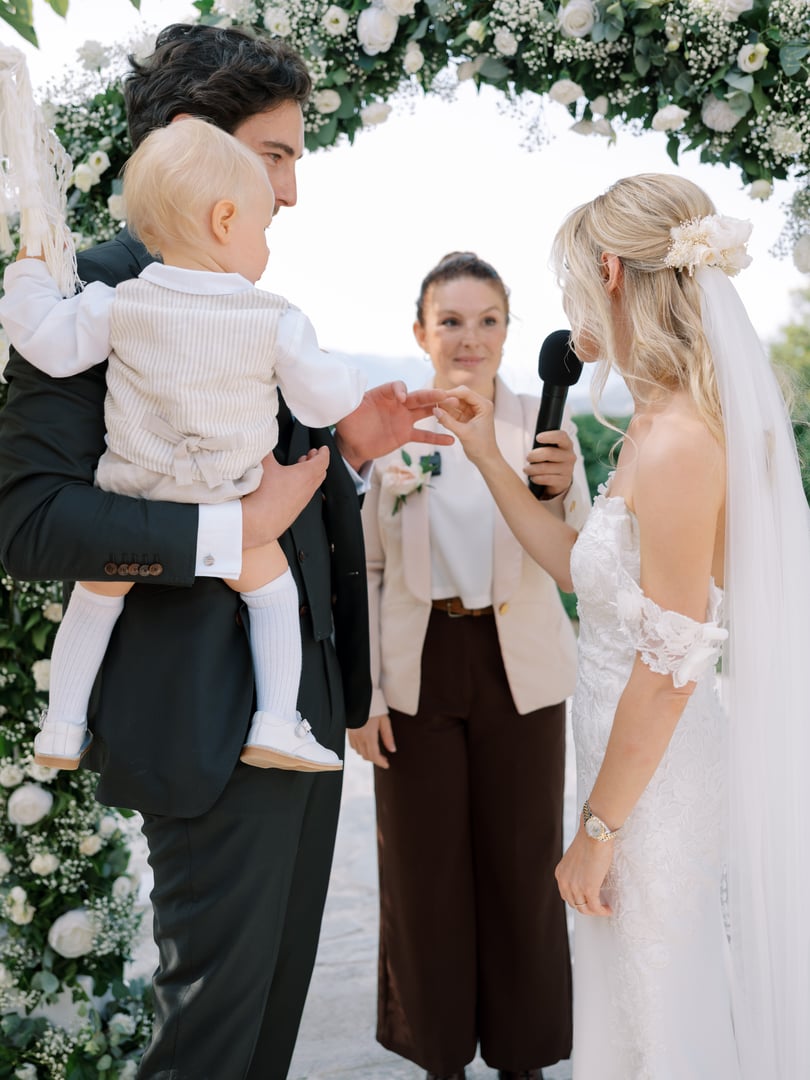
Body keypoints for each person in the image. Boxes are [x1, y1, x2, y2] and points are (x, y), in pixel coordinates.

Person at [0, 23, 452, 1079]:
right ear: (201, 145)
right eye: (277, 154)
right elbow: (32, 524)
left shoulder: (247, 295)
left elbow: (274, 488)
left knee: (261, 1045)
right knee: (209, 1045)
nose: (292, 190)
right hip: (199, 727)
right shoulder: (91, 294)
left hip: (294, 718)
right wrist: (227, 534)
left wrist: (344, 449)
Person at [434, 176, 810, 1079]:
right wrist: (488, 455)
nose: (566, 308)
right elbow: (581, 577)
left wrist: (596, 833)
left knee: (659, 1007)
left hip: (656, 781)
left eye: (568, 282)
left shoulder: (683, 442)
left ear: (609, 270)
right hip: (619, 758)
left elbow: (671, 664)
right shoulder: (651, 421)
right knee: (627, 1003)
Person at [0, 116, 367, 774]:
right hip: (228, 500)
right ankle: (277, 722)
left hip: (135, 489)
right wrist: (347, 383)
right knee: (273, 596)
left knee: (94, 599)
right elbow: (326, 401)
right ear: (226, 220)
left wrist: (29, 270)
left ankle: (61, 725)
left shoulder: (118, 302)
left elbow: (45, 343)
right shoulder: (274, 316)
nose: (266, 248)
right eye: (262, 229)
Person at [349, 251, 591, 1080]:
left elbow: (579, 561)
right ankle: (439, 1058)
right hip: (420, 667)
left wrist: (560, 494)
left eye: (488, 320)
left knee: (522, 868)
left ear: (508, 332)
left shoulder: (543, 428)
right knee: (423, 876)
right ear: (419, 332)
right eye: (450, 320)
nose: (469, 337)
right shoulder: (394, 435)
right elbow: (372, 572)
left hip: (521, 666)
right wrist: (367, 694)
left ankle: (524, 1059)